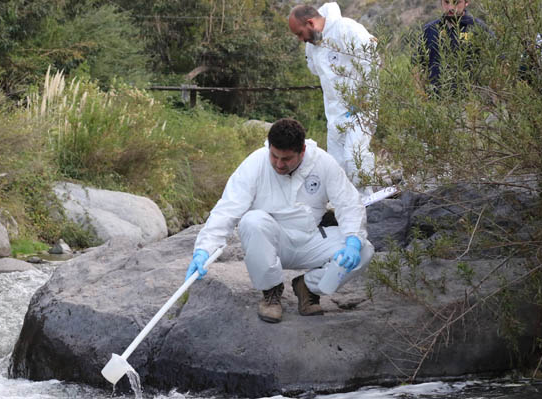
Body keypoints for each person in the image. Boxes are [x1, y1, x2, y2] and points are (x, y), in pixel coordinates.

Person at [185, 118, 374, 324]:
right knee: (251, 220)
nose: (278, 164)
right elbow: (227, 209)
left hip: (311, 240)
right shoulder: (255, 163)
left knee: (364, 250)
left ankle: (308, 287)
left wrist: (353, 241)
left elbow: (349, 204)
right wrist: (203, 250)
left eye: (286, 159)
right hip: (271, 243)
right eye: (274, 156)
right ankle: (271, 292)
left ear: (302, 150)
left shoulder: (323, 163)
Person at [288, 3, 377, 196]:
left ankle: (368, 203)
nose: (301, 39)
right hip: (335, 114)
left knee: (355, 157)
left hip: (361, 107)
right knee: (336, 165)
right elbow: (317, 71)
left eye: (300, 33)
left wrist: (364, 98)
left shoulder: (346, 28)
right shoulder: (312, 47)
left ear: (310, 22)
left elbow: (371, 61)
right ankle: (345, 209)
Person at [418, 0, 491, 90]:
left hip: (470, 99)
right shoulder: (429, 30)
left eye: (456, 3)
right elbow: (417, 65)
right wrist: (420, 96)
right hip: (435, 99)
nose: (451, 8)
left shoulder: (478, 28)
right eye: (446, 2)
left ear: (466, 2)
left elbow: (500, 62)